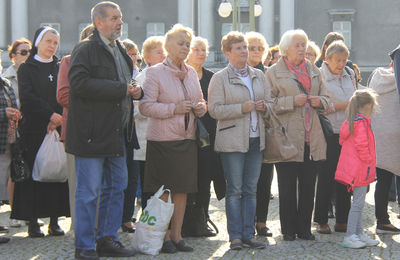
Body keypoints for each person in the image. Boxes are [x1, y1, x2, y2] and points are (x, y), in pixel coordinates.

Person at [67, 1, 141, 258]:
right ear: (99, 22)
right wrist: (121, 89)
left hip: (117, 134)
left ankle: (107, 239)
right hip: (91, 135)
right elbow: (78, 84)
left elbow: (126, 82)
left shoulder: (120, 49)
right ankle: (85, 246)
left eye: (120, 18)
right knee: (88, 193)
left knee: (116, 187)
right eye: (114, 18)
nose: (120, 22)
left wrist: (135, 90)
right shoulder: (85, 49)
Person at [139, 24, 206, 253]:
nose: (185, 48)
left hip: (188, 138)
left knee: (183, 189)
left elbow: (202, 104)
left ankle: (177, 235)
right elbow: (146, 107)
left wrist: (199, 107)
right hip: (163, 141)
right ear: (167, 46)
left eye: (188, 44)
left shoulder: (191, 74)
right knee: (164, 191)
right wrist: (174, 108)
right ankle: (164, 235)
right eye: (180, 43)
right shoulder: (155, 72)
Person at [265, 29, 329, 241]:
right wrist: (291, 102)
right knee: (287, 186)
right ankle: (289, 230)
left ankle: (304, 229)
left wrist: (321, 101)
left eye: (304, 44)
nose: (303, 49)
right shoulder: (273, 72)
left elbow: (326, 97)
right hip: (287, 137)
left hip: (312, 136)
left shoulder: (313, 70)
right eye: (298, 45)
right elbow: (267, 105)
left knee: (309, 185)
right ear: (286, 49)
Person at [208, 31, 268, 250]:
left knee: (251, 189)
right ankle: (234, 236)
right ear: (227, 52)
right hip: (232, 140)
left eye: (246, 47)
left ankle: (248, 234)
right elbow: (214, 110)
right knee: (235, 190)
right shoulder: (219, 78)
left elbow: (270, 102)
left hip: (256, 138)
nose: (245, 51)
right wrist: (241, 108)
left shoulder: (259, 75)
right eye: (239, 48)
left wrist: (265, 106)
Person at [11, 26, 70, 238]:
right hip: (35, 129)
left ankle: (55, 221)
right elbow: (27, 97)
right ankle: (33, 221)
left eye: (55, 42)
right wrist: (49, 116)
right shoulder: (27, 68)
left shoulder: (60, 66)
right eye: (48, 41)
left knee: (57, 174)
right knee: (35, 177)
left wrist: (58, 117)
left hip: (58, 127)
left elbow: (65, 92)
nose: (52, 46)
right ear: (38, 42)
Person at [314, 40, 356, 234]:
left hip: (348, 132)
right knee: (326, 175)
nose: (341, 64)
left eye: (344, 60)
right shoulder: (320, 76)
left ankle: (343, 219)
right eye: (338, 60)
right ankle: (321, 219)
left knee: (346, 177)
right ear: (327, 59)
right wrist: (343, 105)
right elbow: (321, 106)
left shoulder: (350, 74)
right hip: (328, 132)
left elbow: (355, 100)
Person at [56, 24, 95, 232]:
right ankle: (79, 227)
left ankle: (100, 228)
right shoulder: (68, 61)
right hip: (77, 130)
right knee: (78, 184)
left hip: (104, 132)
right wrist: (97, 102)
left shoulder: (113, 62)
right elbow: (63, 96)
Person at [185, 36, 225, 237]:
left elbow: (218, 106)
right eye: (196, 49)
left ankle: (202, 220)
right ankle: (184, 222)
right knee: (186, 179)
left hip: (207, 136)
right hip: (184, 134)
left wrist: (208, 107)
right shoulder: (182, 75)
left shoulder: (212, 77)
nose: (201, 53)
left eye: (204, 50)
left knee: (205, 179)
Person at [335, 89, 379, 249]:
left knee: (358, 202)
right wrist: (369, 164)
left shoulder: (353, 122)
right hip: (360, 170)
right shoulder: (360, 124)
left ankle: (359, 233)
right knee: (358, 204)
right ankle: (350, 235)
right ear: (367, 106)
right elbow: (363, 147)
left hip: (356, 170)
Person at [244, 31, 274, 237]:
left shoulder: (269, 74)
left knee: (264, 180)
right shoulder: (240, 73)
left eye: (260, 48)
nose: (256, 52)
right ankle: (247, 221)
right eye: (251, 48)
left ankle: (261, 221)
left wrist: (268, 106)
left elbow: (276, 103)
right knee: (246, 182)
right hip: (243, 135)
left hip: (265, 133)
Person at [2, 38, 32, 228]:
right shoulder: (7, 78)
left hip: (27, 127)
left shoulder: (30, 73)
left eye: (29, 52)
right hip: (10, 128)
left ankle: (25, 210)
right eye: (23, 52)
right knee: (10, 172)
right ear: (13, 57)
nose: (27, 55)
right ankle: (14, 212)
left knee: (21, 171)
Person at [134, 35, 165, 211]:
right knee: (148, 187)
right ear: (147, 58)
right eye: (159, 53)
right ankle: (147, 226)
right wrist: (158, 109)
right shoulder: (140, 78)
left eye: (165, 53)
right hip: (146, 141)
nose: (163, 56)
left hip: (167, 140)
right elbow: (134, 110)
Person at [369, 66, 400, 233]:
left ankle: (382, 220)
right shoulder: (397, 81)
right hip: (395, 137)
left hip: (380, 138)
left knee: (383, 181)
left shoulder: (377, 78)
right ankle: (383, 221)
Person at [0, 68, 21, 244]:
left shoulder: (5, 84)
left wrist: (15, 113)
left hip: (7, 140)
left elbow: (13, 105)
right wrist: (4, 113)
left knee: (2, 181)